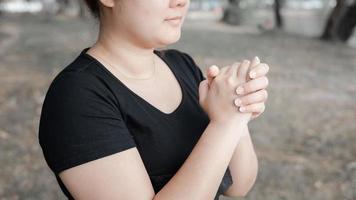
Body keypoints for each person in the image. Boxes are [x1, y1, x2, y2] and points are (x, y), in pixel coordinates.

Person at [38, 0, 270, 199]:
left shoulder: (183, 66)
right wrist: (222, 125)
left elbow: (238, 185)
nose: (181, 1)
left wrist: (237, 111)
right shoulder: (76, 98)